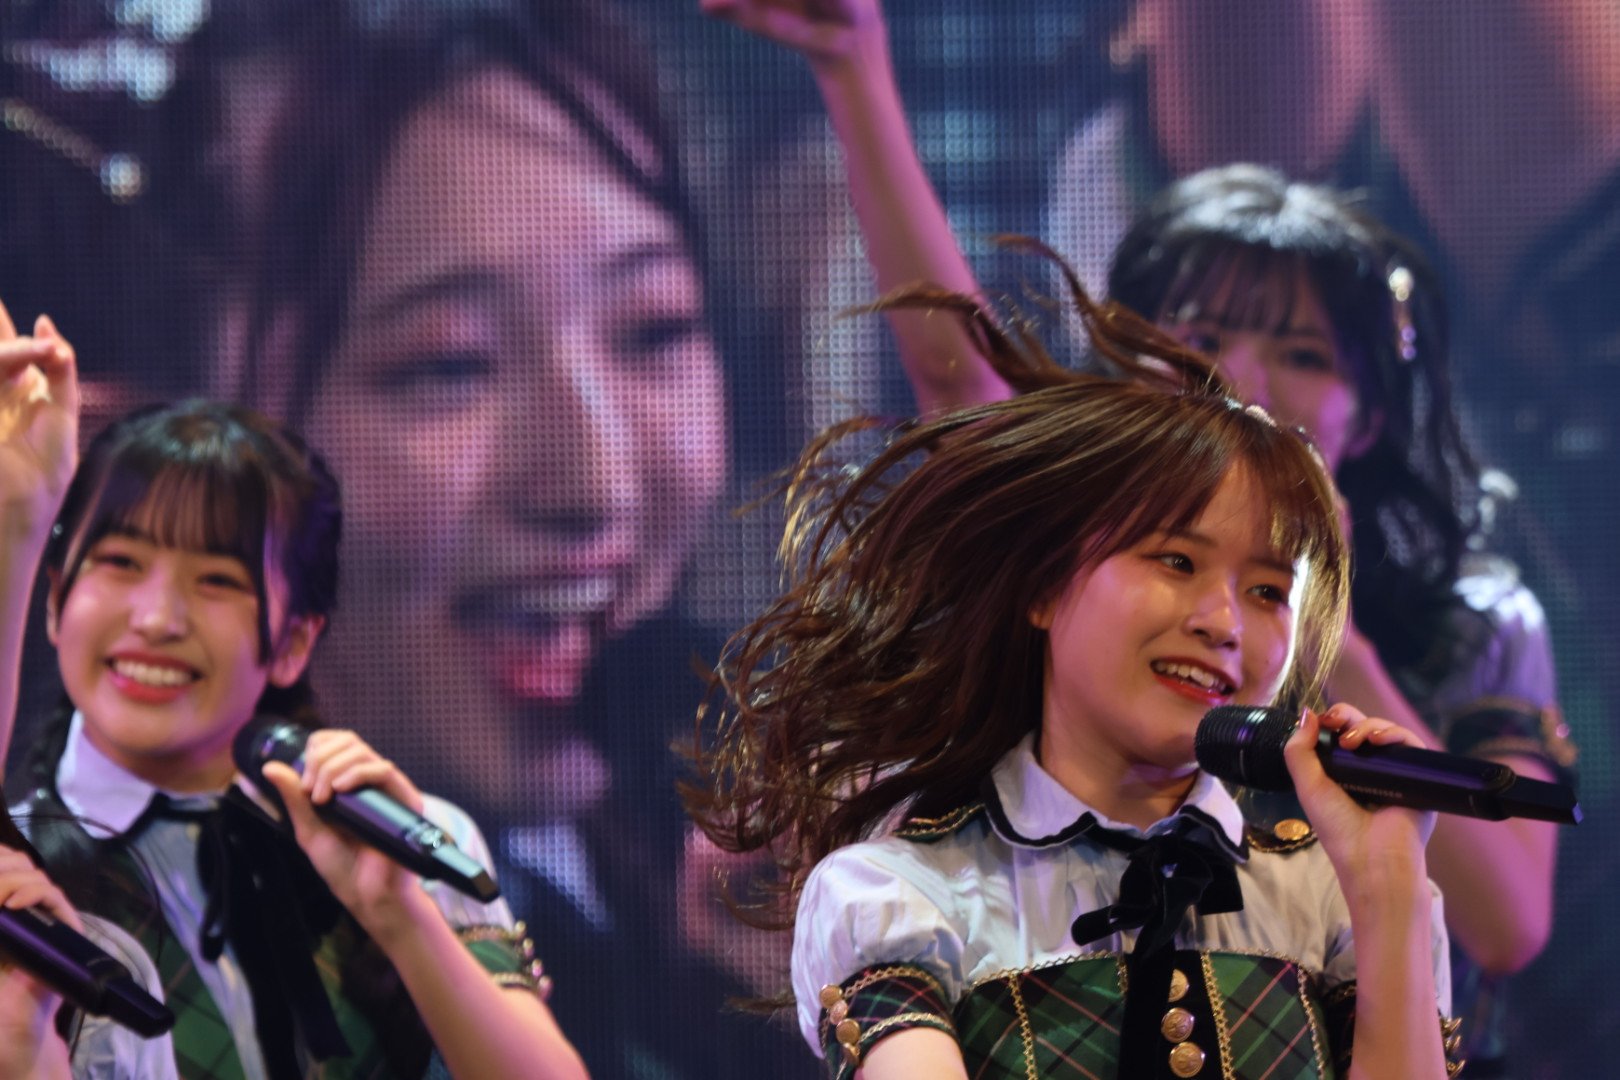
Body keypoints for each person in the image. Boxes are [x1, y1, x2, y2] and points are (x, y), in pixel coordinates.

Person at [703, 3, 1570, 1071]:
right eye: (1201, 338)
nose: (1242, 380)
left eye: (1303, 353)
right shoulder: (918, 895)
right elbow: (956, 380)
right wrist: (855, 71)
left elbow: (1510, 922)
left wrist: (1316, 621)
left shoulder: (1464, 617)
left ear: (1372, 411)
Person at [685, 278, 1458, 1077]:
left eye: (1268, 591)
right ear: (1045, 587)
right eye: (1177, 561)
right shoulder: (900, 896)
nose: (1224, 623)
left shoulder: (1334, 899)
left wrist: (1389, 887)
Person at [0, 300, 588, 1078]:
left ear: (294, 643)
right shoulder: (21, 880)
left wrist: (399, 914)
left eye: (217, 580)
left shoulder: (397, 834)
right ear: (53, 600)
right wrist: (20, 511)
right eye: (120, 564)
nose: (156, 619)